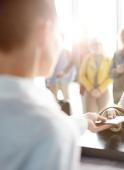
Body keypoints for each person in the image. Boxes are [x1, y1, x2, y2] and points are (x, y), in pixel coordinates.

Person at [0, 0, 110, 169]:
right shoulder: (51, 132)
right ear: (43, 33)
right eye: (59, 35)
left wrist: (83, 121)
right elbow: (45, 130)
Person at [79, 39, 112, 113]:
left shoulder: (108, 59)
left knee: (103, 116)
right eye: (94, 45)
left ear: (102, 46)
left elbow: (111, 77)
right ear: (91, 48)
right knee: (91, 116)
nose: (96, 47)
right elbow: (81, 75)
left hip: (103, 91)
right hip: (90, 91)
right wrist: (91, 89)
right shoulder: (87, 58)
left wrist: (100, 89)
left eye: (98, 45)